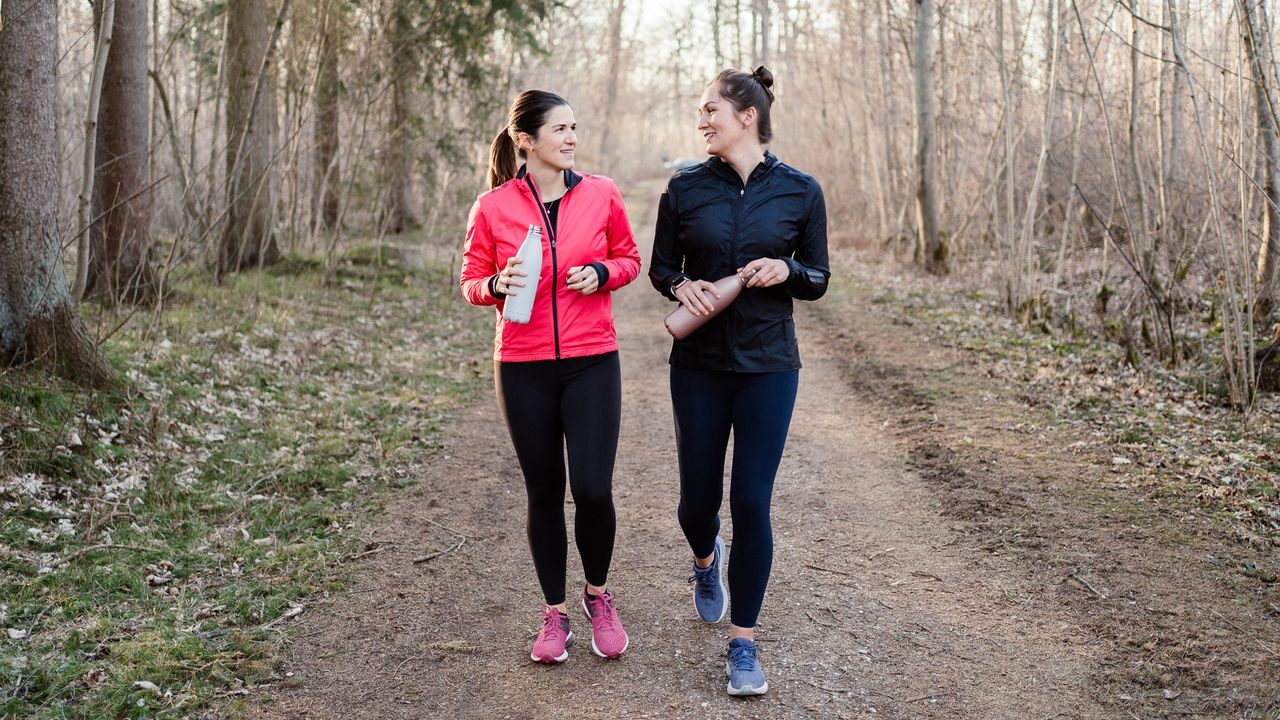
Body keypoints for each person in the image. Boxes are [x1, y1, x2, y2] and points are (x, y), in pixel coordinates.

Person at [649, 66, 830, 696]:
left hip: (769, 367)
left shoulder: (800, 191)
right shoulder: (686, 188)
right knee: (696, 505)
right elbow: (661, 268)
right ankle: (705, 559)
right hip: (698, 367)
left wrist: (786, 268)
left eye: (709, 112)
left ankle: (743, 643)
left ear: (746, 116)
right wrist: (682, 285)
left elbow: (819, 276)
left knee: (752, 501)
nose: (701, 121)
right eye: (699, 113)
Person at [460, 90, 641, 663]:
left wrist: (601, 271)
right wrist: (494, 287)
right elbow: (470, 281)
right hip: (522, 365)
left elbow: (631, 259)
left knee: (592, 489)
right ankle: (553, 615)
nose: (570, 139)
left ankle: (598, 596)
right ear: (526, 140)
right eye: (559, 129)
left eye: (574, 128)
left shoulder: (603, 193)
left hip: (592, 360)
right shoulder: (492, 207)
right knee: (544, 491)